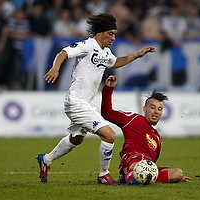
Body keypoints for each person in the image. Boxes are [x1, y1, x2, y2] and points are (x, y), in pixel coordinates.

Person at [36, 13, 156, 185]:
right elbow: (63, 53)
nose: (114, 37)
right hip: (76, 102)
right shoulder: (87, 45)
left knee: (76, 139)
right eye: (111, 33)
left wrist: (137, 54)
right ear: (100, 32)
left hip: (88, 104)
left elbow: (115, 62)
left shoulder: (106, 52)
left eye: (115, 34)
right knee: (109, 135)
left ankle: (46, 159)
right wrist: (55, 68)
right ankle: (103, 174)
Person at [101, 75, 191, 185]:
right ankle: (131, 176)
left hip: (147, 166)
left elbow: (152, 163)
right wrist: (108, 90)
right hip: (131, 159)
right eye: (152, 107)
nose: (156, 111)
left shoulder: (158, 138)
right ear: (145, 109)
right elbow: (107, 114)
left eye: (159, 109)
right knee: (136, 161)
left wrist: (173, 177)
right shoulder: (133, 119)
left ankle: (138, 177)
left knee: (178, 173)